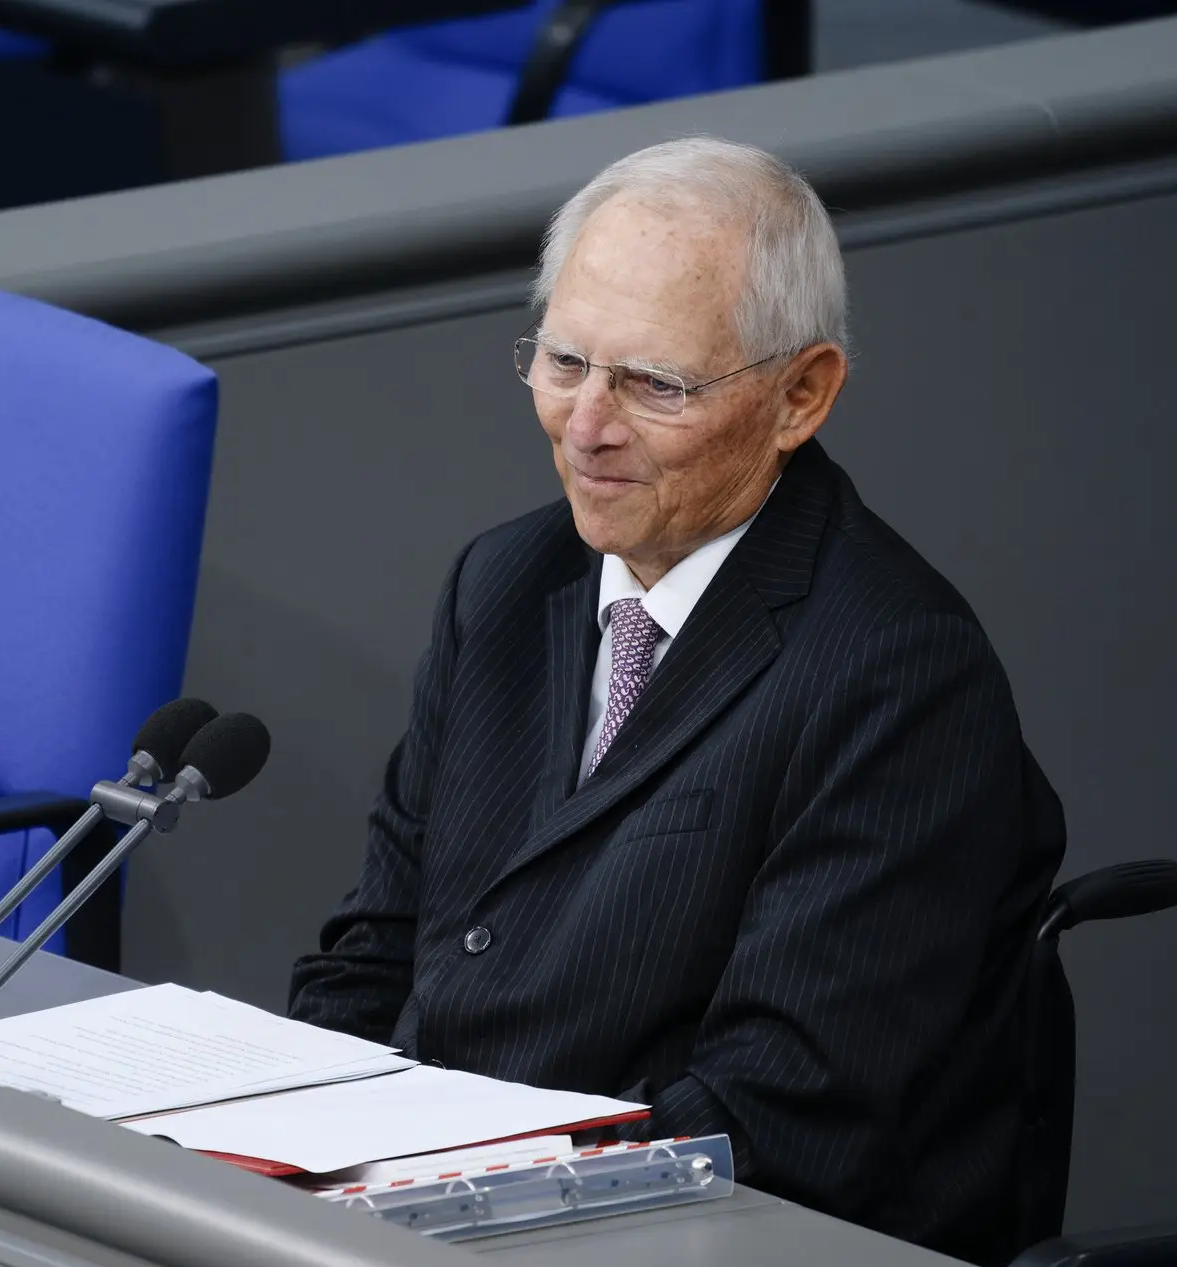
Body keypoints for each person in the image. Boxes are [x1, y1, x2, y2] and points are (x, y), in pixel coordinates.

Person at [287, 136, 1065, 1263]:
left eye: (653, 384)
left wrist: (442, 1202)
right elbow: (376, 952)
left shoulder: (896, 673)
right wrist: (272, 1150)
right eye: (563, 362)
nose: (587, 427)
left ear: (801, 394)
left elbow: (778, 1118)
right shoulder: (503, 584)